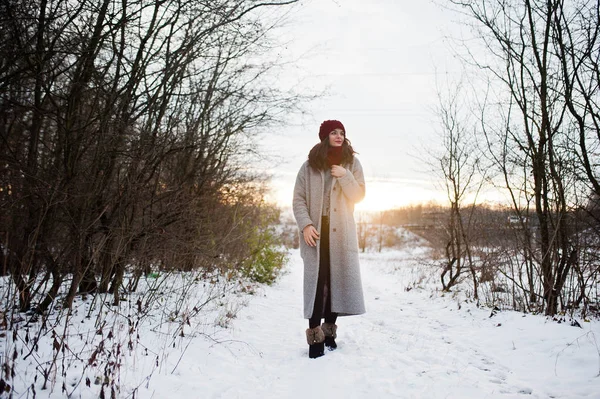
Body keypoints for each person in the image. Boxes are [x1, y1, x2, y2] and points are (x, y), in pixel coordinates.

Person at [292, 119, 366, 359]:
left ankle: (329, 332)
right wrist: (305, 225)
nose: (339, 136)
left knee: (336, 281)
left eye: (342, 132)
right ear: (324, 136)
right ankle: (315, 335)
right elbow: (298, 199)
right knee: (317, 282)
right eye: (333, 132)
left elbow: (359, 195)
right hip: (315, 233)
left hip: (341, 232)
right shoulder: (309, 166)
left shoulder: (352, 163)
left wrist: (345, 175)